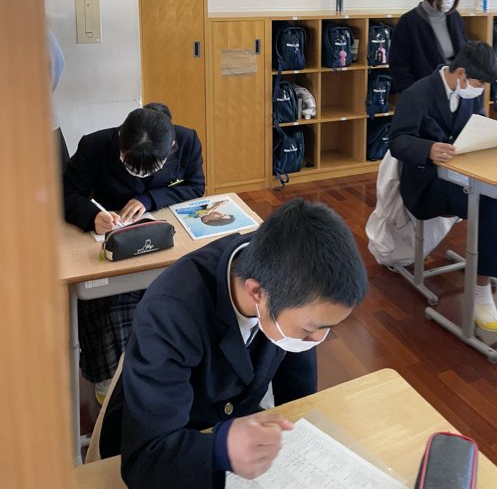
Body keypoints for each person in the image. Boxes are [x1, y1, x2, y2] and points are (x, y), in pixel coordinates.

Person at [101, 199, 368, 487]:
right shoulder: (170, 313)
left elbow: (297, 394)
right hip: (176, 448)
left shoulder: (287, 276)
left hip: (236, 430)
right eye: (309, 330)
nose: (318, 339)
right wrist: (221, 449)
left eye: (328, 327)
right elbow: (147, 458)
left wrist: (304, 436)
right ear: (257, 293)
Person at [390, 41, 497, 332]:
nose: (480, 90)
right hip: (429, 184)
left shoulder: (468, 92)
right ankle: (481, 293)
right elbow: (397, 141)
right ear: (460, 73)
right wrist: (428, 149)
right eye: (478, 83)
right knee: (492, 203)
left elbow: (478, 127)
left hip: (465, 176)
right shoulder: (416, 94)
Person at [62, 103, 206, 402]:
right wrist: (92, 216)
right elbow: (67, 194)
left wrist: (150, 198)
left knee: (185, 296)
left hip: (166, 240)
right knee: (108, 304)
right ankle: (111, 385)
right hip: (111, 242)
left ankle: (177, 372)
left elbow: (195, 186)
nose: (138, 174)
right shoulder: (95, 146)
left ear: (172, 147)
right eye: (129, 164)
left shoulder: (187, 140)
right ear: (120, 141)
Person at [390, 0, 466, 96]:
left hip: (455, 92)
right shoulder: (409, 22)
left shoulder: (455, 18)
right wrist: (414, 96)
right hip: (424, 95)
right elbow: (399, 68)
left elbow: (463, 53)